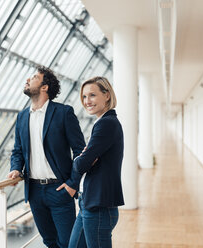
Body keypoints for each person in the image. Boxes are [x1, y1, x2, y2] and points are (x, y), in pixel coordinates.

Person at [8, 65, 85, 248]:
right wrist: (15, 168)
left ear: (45, 87)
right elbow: (17, 150)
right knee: (49, 241)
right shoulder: (22, 117)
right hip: (34, 191)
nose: (27, 80)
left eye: (33, 77)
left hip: (59, 189)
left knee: (68, 243)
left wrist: (73, 184)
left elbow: (80, 151)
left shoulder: (63, 113)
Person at [68, 76, 124, 248]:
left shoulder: (106, 124)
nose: (87, 101)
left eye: (92, 95)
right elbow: (87, 161)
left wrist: (79, 158)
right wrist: (85, 157)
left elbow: (81, 165)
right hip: (89, 203)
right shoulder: (103, 122)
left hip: (99, 207)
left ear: (107, 95)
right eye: (84, 97)